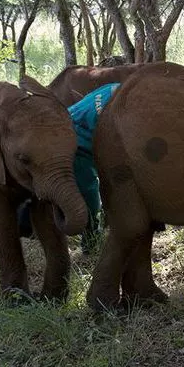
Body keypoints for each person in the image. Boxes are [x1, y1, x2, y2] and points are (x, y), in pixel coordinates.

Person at [68, 83, 120, 254]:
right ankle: (90, 240)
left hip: (79, 137)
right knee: (89, 194)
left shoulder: (113, 87)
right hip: (75, 145)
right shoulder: (117, 102)